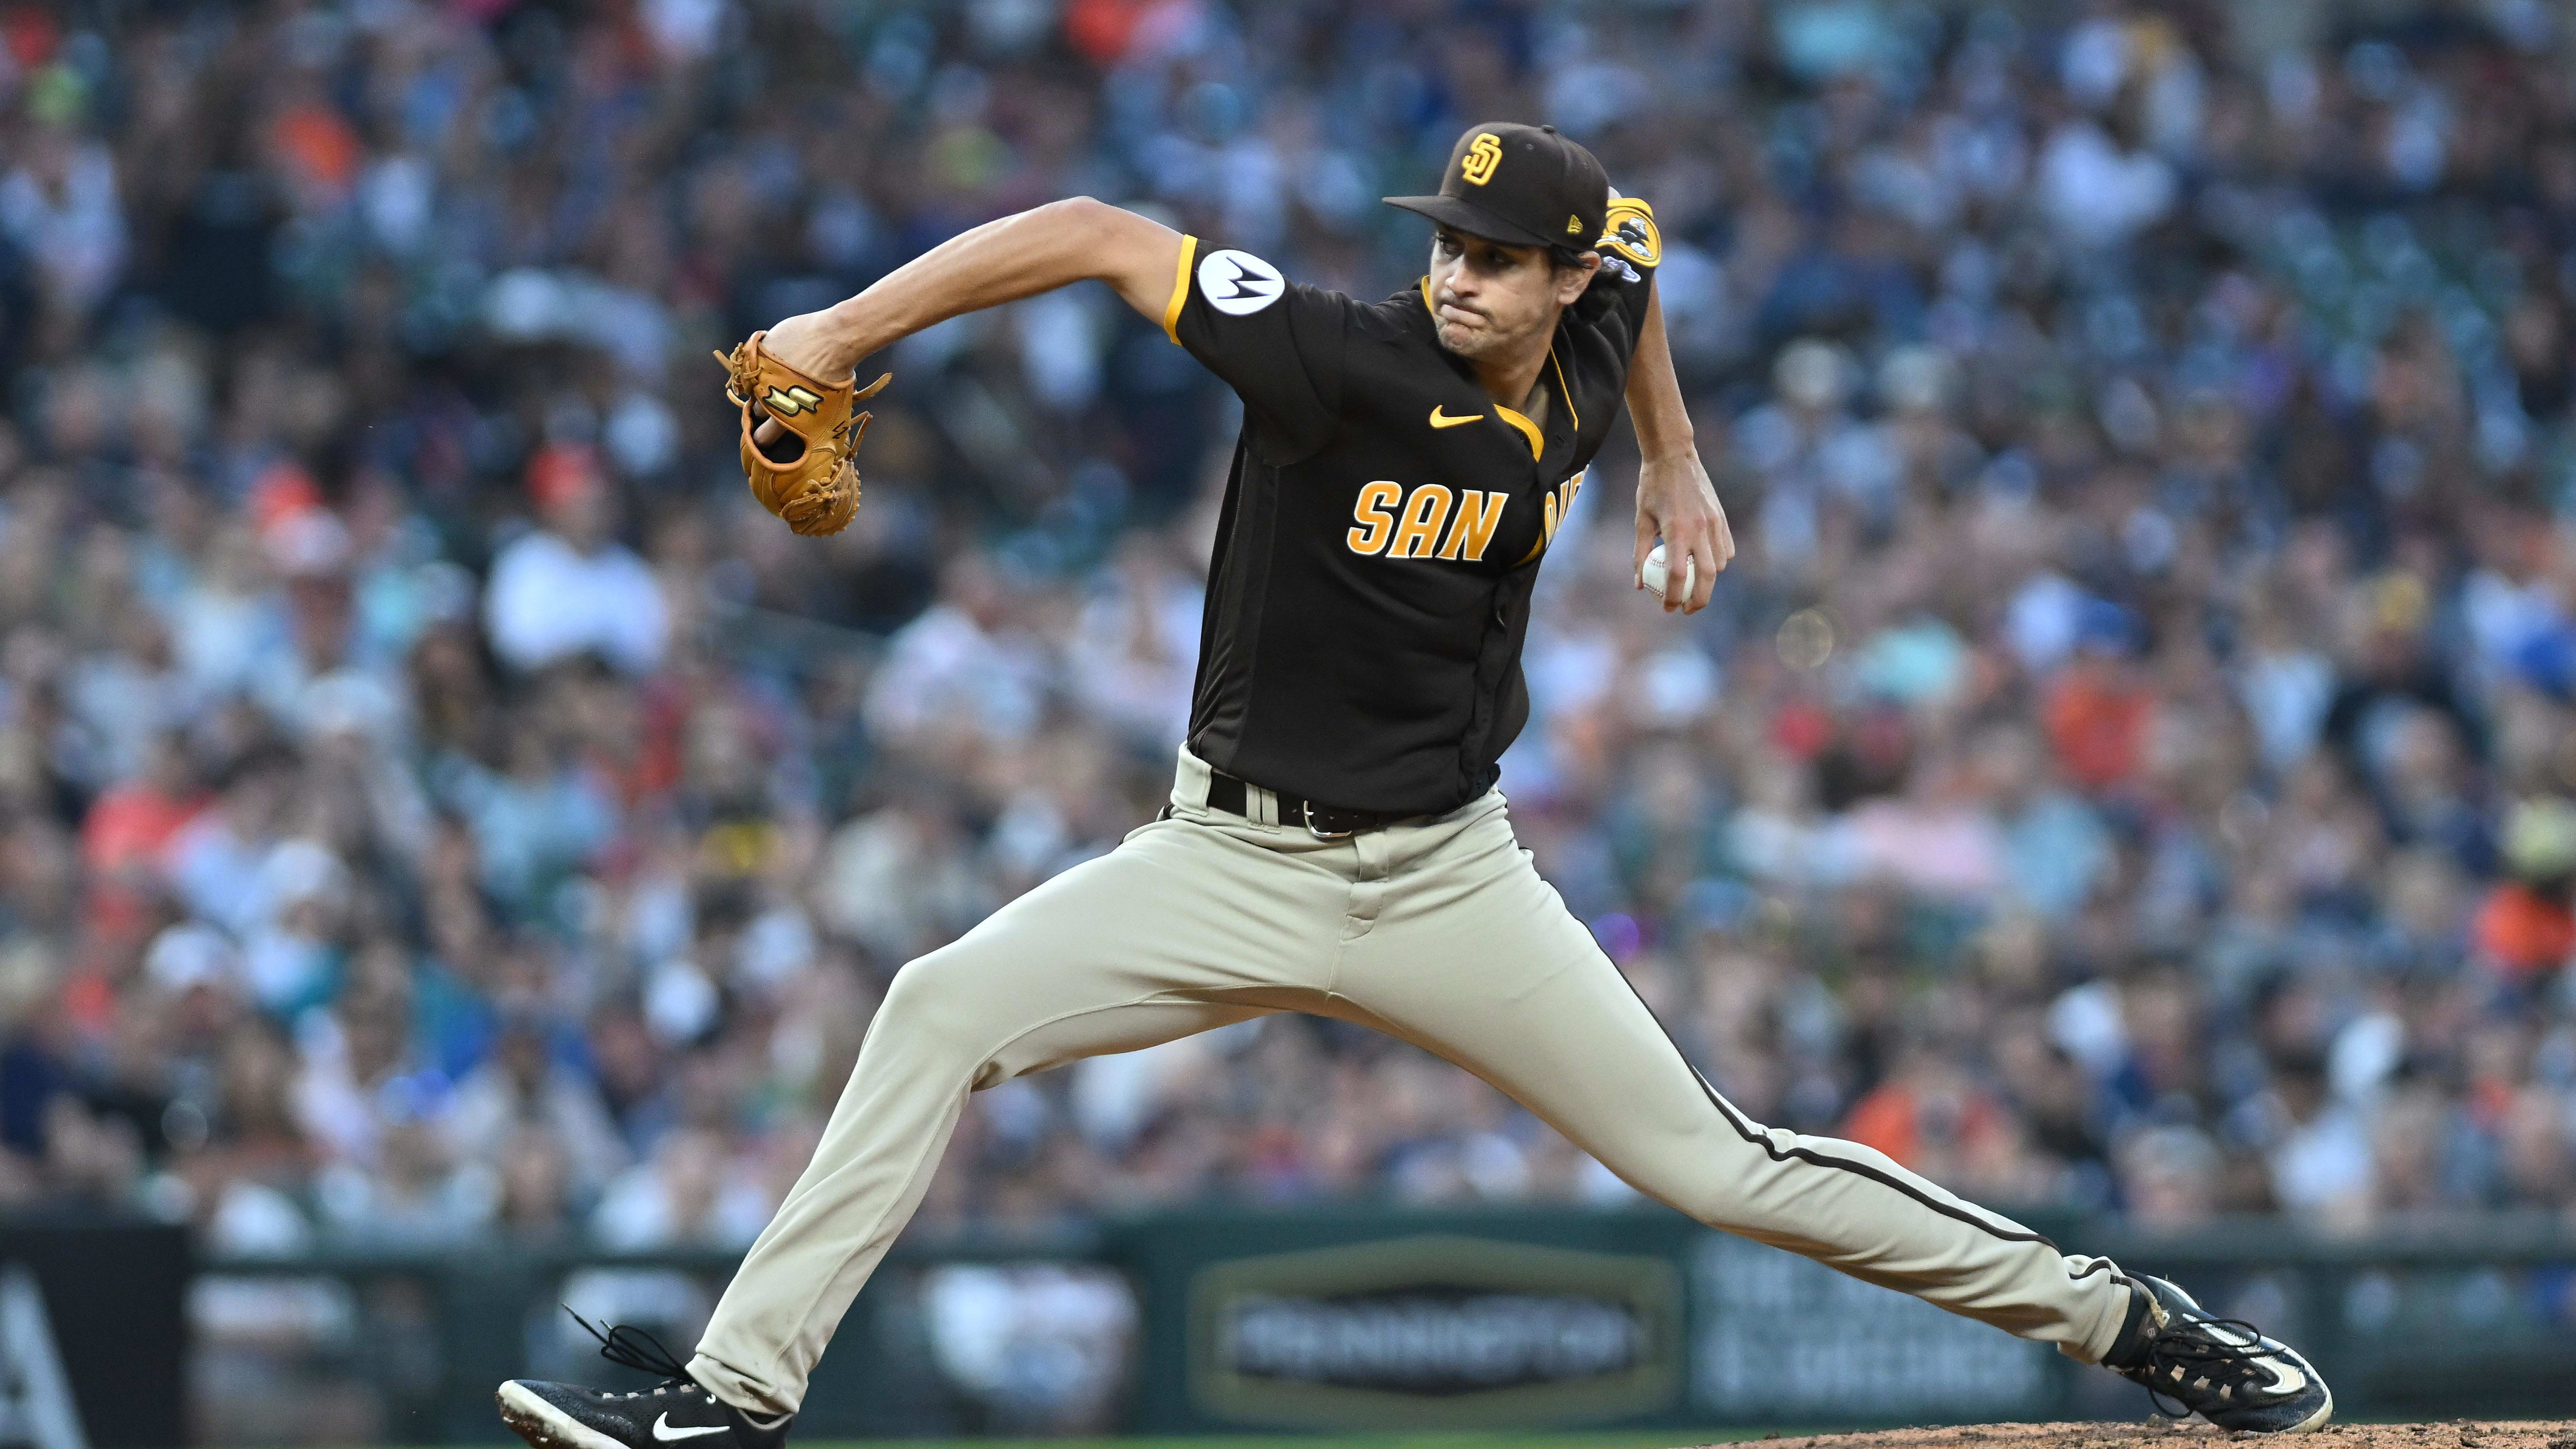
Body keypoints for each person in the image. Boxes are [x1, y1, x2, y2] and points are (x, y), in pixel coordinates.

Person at [495, 123, 2332, 1448]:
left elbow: (1641, 252)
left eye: (1492, 257)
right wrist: (834, 335)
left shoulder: (1592, 339)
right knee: (933, 1004)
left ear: (1559, 284)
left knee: (1724, 1166)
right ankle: (732, 1397)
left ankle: (2133, 1322)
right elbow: (1084, 224)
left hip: (1452, 878)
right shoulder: (1337, 359)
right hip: (1222, 858)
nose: (1454, 272)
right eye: (1445, 242)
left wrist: (1670, 463)